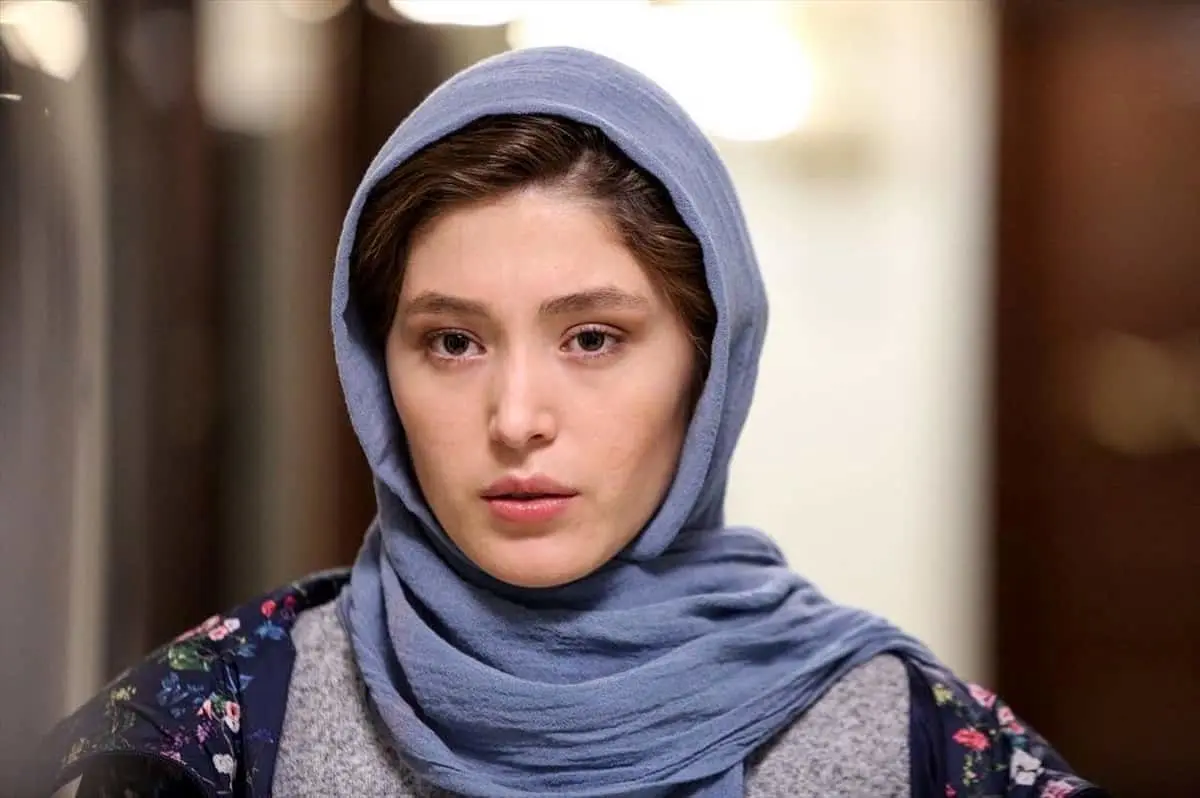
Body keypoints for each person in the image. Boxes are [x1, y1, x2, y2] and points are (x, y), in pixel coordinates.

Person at [38, 47, 1106, 798]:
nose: (516, 420)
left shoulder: (911, 741)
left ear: (710, 364)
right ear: (374, 366)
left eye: (592, 338)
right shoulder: (216, 723)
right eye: (452, 342)